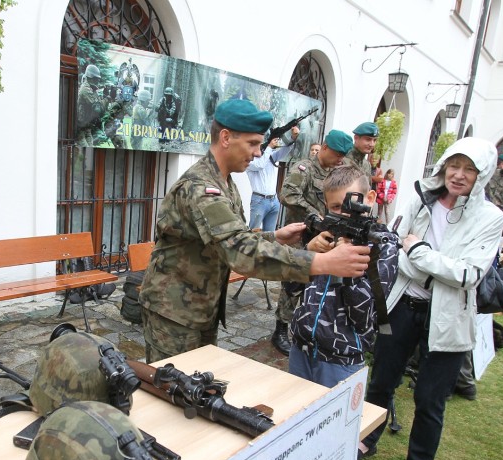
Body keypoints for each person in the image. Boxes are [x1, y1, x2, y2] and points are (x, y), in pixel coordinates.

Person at [138, 99, 371, 363]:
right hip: (175, 313)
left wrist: (275, 236)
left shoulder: (222, 181)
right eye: (252, 143)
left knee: (193, 389)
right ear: (225, 137)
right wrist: (322, 262)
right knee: (172, 390)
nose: (259, 152)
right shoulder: (202, 189)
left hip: (198, 307)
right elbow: (239, 251)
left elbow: (226, 239)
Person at [359, 138, 503, 460]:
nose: (458, 175)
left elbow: (469, 273)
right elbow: (393, 247)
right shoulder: (419, 199)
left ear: (481, 173)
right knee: (382, 380)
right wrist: (428, 262)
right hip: (402, 307)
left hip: (450, 317)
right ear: (443, 166)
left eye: (468, 168)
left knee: (430, 398)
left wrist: (420, 252)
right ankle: (367, 437)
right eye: (453, 165)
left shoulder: (491, 218)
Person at [289, 166, 399, 387]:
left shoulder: (383, 247)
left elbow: (362, 314)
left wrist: (348, 266)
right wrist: (308, 254)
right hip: (301, 349)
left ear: (369, 198)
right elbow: (291, 289)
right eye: (335, 207)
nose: (342, 215)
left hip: (341, 358)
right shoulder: (325, 236)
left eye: (348, 206)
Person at [270, 130, 354, 355]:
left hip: (326, 238)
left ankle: (307, 325)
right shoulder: (304, 168)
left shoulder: (338, 173)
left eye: (342, 156)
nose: (339, 159)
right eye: (336, 154)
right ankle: (280, 329)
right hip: (300, 237)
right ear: (325, 147)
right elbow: (287, 195)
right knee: (292, 284)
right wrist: (315, 214)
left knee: (315, 283)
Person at [246, 125, 300, 232]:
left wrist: (293, 138)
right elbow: (260, 165)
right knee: (254, 234)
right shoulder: (249, 160)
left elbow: (284, 151)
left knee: (271, 235)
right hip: (259, 201)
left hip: (274, 200)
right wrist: (269, 147)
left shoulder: (269, 156)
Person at [77, 64, 105, 145]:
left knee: (89, 150)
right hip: (80, 129)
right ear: (91, 77)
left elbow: (102, 109)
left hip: (87, 127)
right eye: (96, 79)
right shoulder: (85, 89)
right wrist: (107, 99)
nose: (97, 81)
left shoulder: (93, 89)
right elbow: (98, 108)